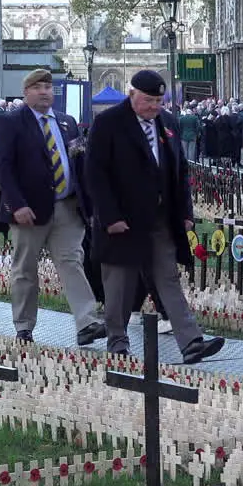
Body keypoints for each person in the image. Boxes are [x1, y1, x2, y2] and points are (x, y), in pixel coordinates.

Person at [84, 70, 224, 363]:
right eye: (148, 100)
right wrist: (110, 217)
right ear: (132, 94)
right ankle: (117, 340)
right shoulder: (108, 123)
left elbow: (180, 172)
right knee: (120, 283)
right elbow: (95, 174)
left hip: (160, 218)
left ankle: (191, 342)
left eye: (159, 101)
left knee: (168, 278)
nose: (154, 107)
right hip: (122, 220)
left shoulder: (167, 123)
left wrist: (185, 212)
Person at [0, 68, 105, 346]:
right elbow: (2, 166)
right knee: (25, 269)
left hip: (67, 208)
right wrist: (16, 204)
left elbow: (79, 163)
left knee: (71, 262)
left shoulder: (67, 122)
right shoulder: (11, 121)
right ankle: (24, 325)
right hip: (28, 211)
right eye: (37, 87)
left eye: (47, 87)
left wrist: (88, 206)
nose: (44, 92)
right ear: (26, 92)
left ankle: (87, 322)